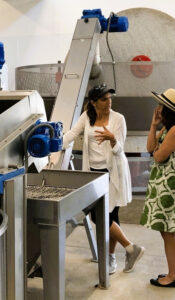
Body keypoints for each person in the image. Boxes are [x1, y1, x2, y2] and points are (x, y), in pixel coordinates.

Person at [63, 84, 145, 274]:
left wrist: (112, 139)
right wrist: (54, 144)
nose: (109, 102)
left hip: (112, 173)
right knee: (99, 216)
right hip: (93, 173)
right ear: (93, 102)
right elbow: (72, 134)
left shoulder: (118, 119)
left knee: (108, 216)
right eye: (104, 99)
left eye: (110, 99)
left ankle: (113, 256)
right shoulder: (87, 116)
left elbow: (120, 150)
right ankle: (130, 249)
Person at [140, 88, 175, 288]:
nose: (158, 109)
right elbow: (149, 148)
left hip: (171, 191)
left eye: (161, 106)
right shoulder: (171, 127)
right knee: (171, 232)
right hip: (168, 187)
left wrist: (157, 148)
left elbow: (157, 156)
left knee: (168, 233)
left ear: (169, 110)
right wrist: (154, 125)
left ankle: (173, 275)